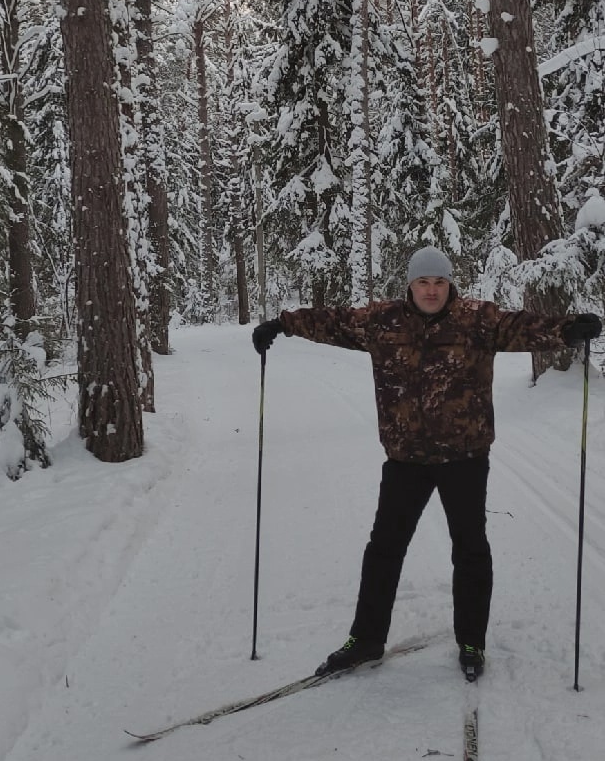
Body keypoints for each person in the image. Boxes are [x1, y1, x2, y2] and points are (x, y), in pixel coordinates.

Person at [251, 245, 601, 679]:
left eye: (439, 282)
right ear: (410, 285)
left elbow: (525, 328)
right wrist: (281, 325)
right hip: (406, 460)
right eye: (423, 282)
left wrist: (570, 329)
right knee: (384, 549)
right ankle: (366, 639)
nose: (431, 290)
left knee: (470, 550)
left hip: (465, 457)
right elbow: (332, 321)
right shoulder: (382, 321)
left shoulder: (478, 320)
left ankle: (471, 641)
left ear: (449, 284)